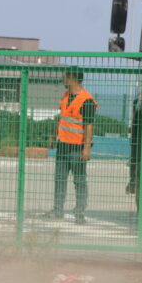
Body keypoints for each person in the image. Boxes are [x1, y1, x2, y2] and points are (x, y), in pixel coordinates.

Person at [45, 68, 96, 224]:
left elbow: (88, 125)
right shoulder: (66, 96)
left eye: (65, 76)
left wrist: (86, 148)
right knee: (60, 179)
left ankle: (79, 213)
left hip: (77, 147)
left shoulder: (86, 100)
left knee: (79, 181)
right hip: (63, 145)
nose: (63, 79)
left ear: (72, 78)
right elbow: (63, 119)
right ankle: (57, 210)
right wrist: (55, 136)